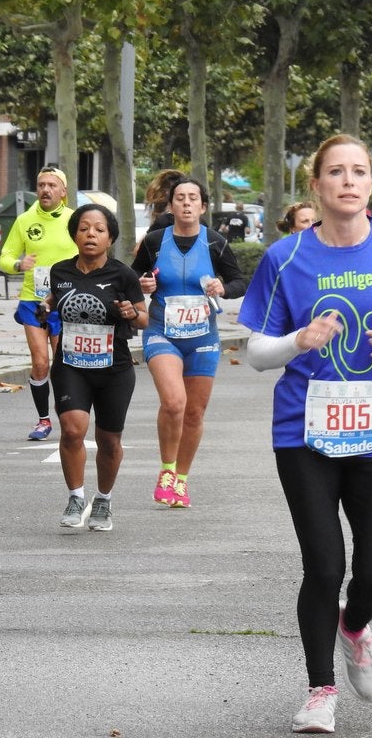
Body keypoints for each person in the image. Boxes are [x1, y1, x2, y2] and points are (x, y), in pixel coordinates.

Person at [238, 134, 372, 734]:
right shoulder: (286, 257)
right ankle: (319, 689)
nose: (349, 181)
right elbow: (254, 352)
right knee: (324, 565)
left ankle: (354, 627)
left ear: (371, 186)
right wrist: (297, 341)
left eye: (360, 172)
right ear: (317, 185)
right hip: (303, 431)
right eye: (336, 172)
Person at [132, 177, 247, 508]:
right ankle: (166, 470)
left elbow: (239, 281)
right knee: (174, 402)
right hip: (162, 331)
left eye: (192, 198)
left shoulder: (215, 242)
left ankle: (181, 480)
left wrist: (223, 289)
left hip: (202, 337)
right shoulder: (154, 242)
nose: (185, 203)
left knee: (194, 413)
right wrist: (144, 285)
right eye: (179, 198)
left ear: (202, 206)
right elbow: (132, 278)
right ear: (170, 206)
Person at [39, 204, 147, 531]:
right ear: (74, 235)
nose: (91, 234)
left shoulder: (123, 275)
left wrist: (131, 313)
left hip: (115, 368)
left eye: (99, 230)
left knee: (109, 440)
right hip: (71, 363)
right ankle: (75, 496)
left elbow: (144, 318)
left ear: (110, 238)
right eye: (84, 228)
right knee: (72, 429)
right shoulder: (60, 272)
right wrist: (45, 307)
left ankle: (103, 499)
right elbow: (54, 300)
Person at [0, 166, 77, 441]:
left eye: (52, 185)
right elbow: (5, 258)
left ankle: (68, 413)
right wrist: (20, 264)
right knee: (41, 362)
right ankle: (44, 420)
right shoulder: (24, 220)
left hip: (65, 301)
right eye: (41, 184)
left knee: (64, 363)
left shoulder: (74, 220)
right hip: (33, 301)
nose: (45, 190)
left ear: (63, 191)